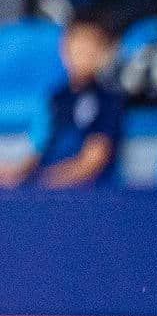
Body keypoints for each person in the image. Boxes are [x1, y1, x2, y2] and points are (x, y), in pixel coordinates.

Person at [0, 13, 124, 189]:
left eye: (90, 48)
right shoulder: (56, 97)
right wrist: (15, 174)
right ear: (64, 48)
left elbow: (94, 160)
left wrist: (47, 183)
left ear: (103, 53)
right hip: (49, 194)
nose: (82, 54)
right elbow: (39, 150)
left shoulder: (107, 100)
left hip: (87, 196)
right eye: (77, 45)